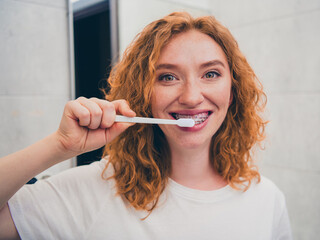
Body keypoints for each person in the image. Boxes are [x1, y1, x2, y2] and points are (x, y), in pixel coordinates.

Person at [0, 12, 292, 240]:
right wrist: (58, 146)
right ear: (143, 94)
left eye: (211, 73)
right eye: (167, 77)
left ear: (233, 90)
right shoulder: (90, 191)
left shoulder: (267, 200)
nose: (191, 96)